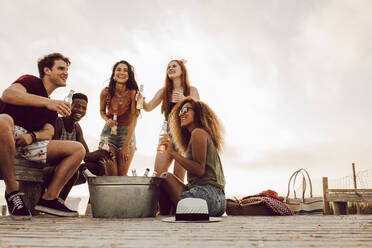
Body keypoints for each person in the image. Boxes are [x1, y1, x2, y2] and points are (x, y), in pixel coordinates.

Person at [0, 53, 85, 219]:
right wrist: (48, 102)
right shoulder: (31, 82)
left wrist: (32, 137)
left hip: (26, 144)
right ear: (47, 70)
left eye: (67, 70)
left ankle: (49, 199)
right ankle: (12, 192)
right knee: (4, 120)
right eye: (61, 68)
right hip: (3, 135)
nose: (65, 73)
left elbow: (49, 132)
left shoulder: (53, 105)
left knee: (77, 149)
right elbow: (8, 94)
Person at [158, 97, 226, 217]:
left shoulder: (198, 133)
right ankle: (170, 213)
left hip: (207, 197)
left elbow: (199, 170)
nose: (181, 114)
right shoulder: (200, 134)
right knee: (167, 178)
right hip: (218, 201)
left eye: (186, 109)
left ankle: (165, 215)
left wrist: (173, 153)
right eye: (180, 111)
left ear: (198, 113)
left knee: (164, 177)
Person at [141, 59, 200, 181]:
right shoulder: (164, 91)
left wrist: (185, 99)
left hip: (185, 138)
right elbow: (148, 107)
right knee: (158, 175)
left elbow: (199, 112)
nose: (170, 68)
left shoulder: (192, 90)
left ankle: (175, 201)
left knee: (178, 179)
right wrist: (141, 101)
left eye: (174, 66)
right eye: (168, 67)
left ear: (182, 70)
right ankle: (158, 201)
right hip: (166, 136)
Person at [52, 93, 112, 200]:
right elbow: (54, 153)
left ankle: (95, 202)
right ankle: (58, 200)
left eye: (84, 108)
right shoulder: (58, 122)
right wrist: (94, 155)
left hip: (70, 167)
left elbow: (86, 155)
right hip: (55, 167)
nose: (80, 110)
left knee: (98, 165)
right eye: (77, 106)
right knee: (75, 168)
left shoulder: (77, 128)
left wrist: (100, 154)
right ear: (69, 105)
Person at [99, 60, 139, 176]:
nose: (122, 72)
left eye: (125, 70)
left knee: (121, 175)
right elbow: (102, 111)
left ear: (129, 75)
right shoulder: (105, 92)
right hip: (108, 133)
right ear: (114, 74)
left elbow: (134, 119)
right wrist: (108, 120)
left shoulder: (133, 93)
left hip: (127, 134)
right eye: (118, 69)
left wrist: (126, 145)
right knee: (111, 174)